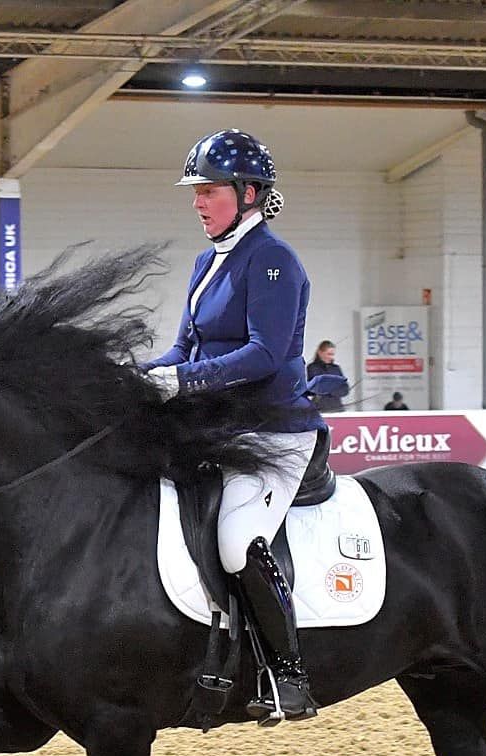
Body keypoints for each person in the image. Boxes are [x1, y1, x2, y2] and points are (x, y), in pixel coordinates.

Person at [141, 129, 323, 724]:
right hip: (216, 429)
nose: (197, 202)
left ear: (248, 193)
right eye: (195, 191)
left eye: (209, 191)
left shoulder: (273, 260)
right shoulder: (207, 261)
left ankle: (288, 674)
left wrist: (183, 381)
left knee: (238, 540)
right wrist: (137, 376)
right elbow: (183, 348)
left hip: (272, 432)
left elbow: (264, 354)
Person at [305, 340, 350, 414]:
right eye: (329, 354)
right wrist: (334, 387)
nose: (331, 357)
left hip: (337, 408)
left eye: (332, 354)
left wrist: (331, 389)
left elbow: (345, 389)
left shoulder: (336, 368)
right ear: (320, 353)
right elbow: (318, 387)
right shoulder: (312, 367)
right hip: (320, 408)